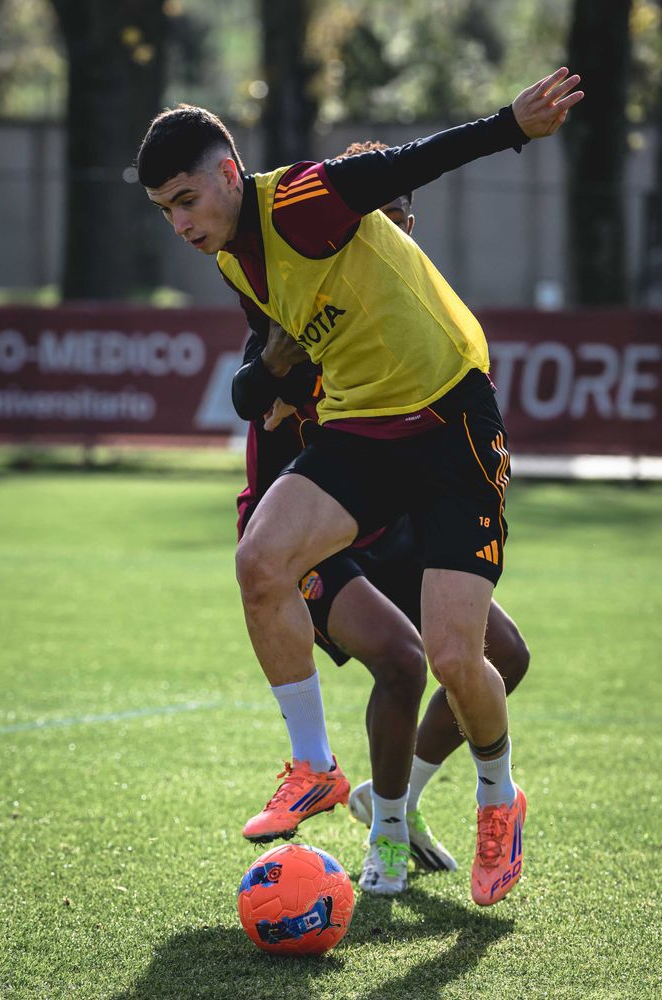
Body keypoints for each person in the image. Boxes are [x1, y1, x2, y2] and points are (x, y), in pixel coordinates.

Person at [137, 67, 583, 907]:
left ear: (229, 174)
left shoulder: (300, 202)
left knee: (461, 657)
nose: (180, 222)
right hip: (362, 428)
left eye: (187, 199)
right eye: (165, 209)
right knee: (259, 559)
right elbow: (253, 380)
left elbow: (409, 161)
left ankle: (498, 798)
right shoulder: (238, 263)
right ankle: (313, 764)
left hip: (450, 418)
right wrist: (266, 388)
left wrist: (511, 125)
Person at [230, 161, 529, 895]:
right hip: (313, 531)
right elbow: (246, 395)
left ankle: (396, 801)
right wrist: (271, 366)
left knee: (502, 657)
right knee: (401, 661)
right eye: (373, 219)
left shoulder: (402, 314)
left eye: (401, 218)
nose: (389, 231)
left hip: (389, 516)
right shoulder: (298, 306)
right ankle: (385, 837)